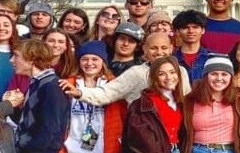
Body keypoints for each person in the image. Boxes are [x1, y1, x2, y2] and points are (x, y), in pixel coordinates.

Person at [12, 39, 71, 153]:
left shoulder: (51, 86)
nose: (12, 60)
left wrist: (29, 148)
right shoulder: (37, 83)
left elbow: (51, 128)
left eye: (16, 56)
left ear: (31, 60)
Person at [57, 41, 124, 153]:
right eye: (85, 59)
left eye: (95, 59)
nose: (89, 63)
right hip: (72, 152)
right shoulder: (67, 84)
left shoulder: (114, 85)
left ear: (103, 62)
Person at [62, 31, 191, 106]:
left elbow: (187, 103)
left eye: (164, 48)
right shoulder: (136, 73)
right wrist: (81, 93)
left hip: (174, 139)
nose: (159, 52)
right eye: (153, 48)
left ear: (171, 49)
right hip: (146, 137)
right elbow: (108, 93)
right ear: (145, 49)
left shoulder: (181, 72)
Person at [173, 9, 211, 81]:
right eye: (185, 27)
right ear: (177, 31)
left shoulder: (212, 58)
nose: (191, 31)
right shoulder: (171, 58)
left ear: (203, 30)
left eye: (195, 27)